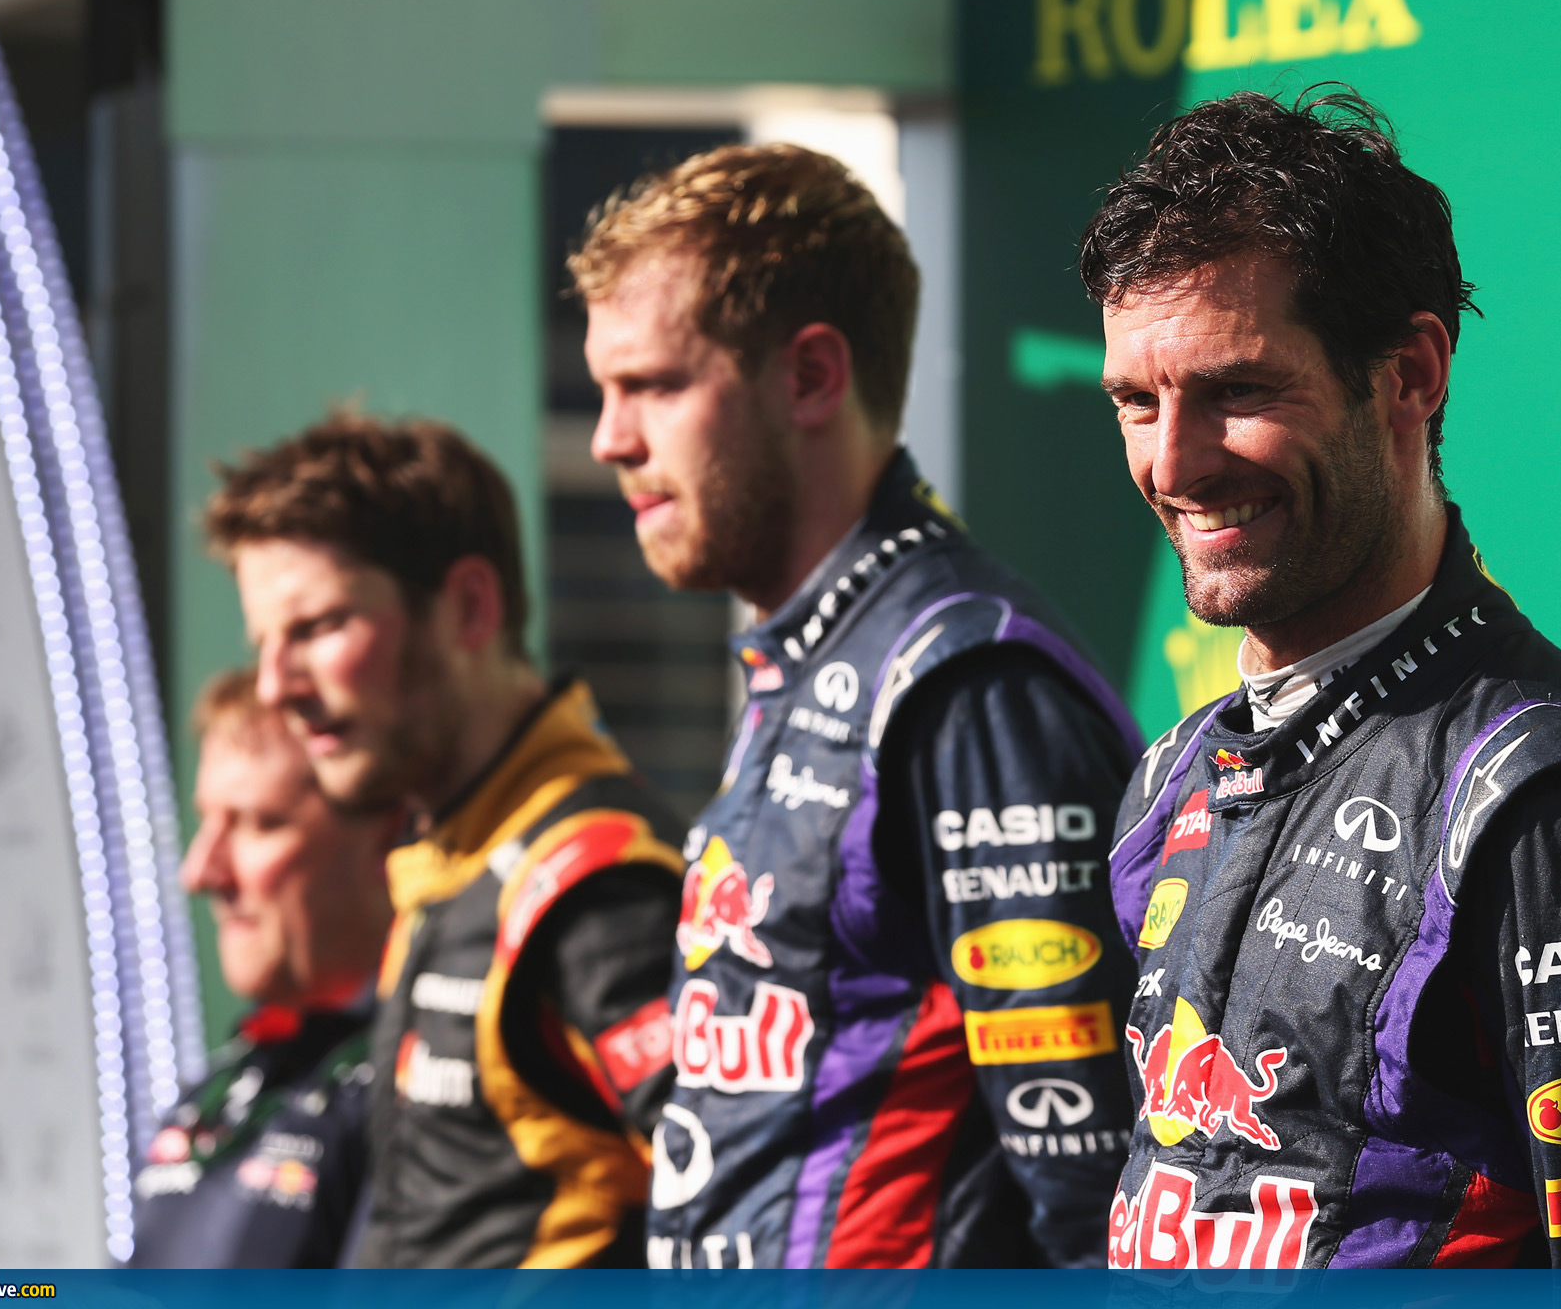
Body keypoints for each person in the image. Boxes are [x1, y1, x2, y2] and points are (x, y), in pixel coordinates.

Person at [1086, 89, 1561, 1269]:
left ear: (1409, 374)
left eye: (1237, 391)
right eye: (1135, 401)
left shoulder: (1548, 801)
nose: (1174, 462)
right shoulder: (1177, 774)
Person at [573, 144, 1143, 1269]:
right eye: (604, 390)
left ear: (810, 377)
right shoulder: (810, 655)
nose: (609, 438)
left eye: (654, 385)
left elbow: (1091, 1197)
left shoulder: (963, 681)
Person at [204, 415, 685, 1268]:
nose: (275, 685)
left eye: (317, 627)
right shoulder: (451, 856)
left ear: (469, 607)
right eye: (265, 643)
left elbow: (751, 1216)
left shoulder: (593, 885)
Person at [130, 669, 397, 1267]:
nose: (202, 873)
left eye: (257, 822)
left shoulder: (420, 1091)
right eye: (206, 821)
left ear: (387, 838)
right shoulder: (218, 1091)